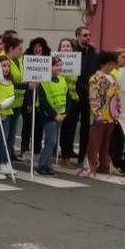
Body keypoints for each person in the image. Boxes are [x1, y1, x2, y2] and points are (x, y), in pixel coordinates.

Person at [80, 51, 119, 178]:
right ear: (104, 64)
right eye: (110, 64)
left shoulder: (113, 77)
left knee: (106, 143)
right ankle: (90, 167)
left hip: (111, 116)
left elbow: (116, 96)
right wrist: (98, 114)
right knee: (94, 142)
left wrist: (117, 112)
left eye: (113, 64)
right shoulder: (96, 78)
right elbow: (94, 98)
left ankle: (103, 165)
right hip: (100, 116)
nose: (112, 66)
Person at [36, 56, 67, 176]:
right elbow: (43, 102)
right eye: (56, 65)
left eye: (60, 65)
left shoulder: (62, 79)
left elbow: (67, 97)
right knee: (51, 141)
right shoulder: (44, 81)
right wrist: (55, 115)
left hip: (60, 115)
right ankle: (41, 165)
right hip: (49, 116)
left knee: (52, 142)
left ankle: (47, 165)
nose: (59, 67)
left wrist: (65, 113)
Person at [21, 37, 50, 159]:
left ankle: (37, 150)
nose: (38, 49)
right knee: (27, 125)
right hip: (28, 98)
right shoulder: (26, 60)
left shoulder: (47, 61)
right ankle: (24, 149)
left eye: (40, 46)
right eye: (35, 46)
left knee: (39, 127)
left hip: (41, 99)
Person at [74, 27, 99, 167]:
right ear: (78, 36)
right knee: (70, 125)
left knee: (86, 126)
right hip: (75, 93)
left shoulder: (93, 54)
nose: (88, 38)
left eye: (89, 35)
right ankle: (65, 153)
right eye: (85, 35)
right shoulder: (73, 52)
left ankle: (82, 155)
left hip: (89, 95)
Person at [108, 48, 125, 173]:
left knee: (121, 138)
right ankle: (111, 161)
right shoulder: (112, 72)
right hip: (114, 109)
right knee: (113, 137)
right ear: (116, 59)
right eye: (123, 57)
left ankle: (118, 161)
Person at [57, 38, 80, 167]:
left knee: (70, 129)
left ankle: (66, 156)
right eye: (63, 46)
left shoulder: (75, 62)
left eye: (68, 46)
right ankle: (61, 156)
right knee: (62, 129)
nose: (66, 48)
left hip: (72, 98)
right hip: (60, 99)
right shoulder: (56, 62)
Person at [4, 36, 26, 162]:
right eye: (19, 49)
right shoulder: (6, 62)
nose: (21, 51)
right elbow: (10, 81)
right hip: (8, 102)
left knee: (12, 132)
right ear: (11, 49)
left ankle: (9, 153)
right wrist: (26, 85)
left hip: (18, 102)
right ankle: (3, 157)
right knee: (5, 132)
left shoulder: (20, 61)